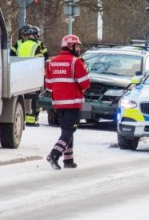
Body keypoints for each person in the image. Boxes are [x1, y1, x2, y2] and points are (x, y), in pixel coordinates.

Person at [44, 34, 91, 170]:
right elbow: (85, 84)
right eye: (77, 46)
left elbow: (48, 86)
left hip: (58, 103)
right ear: (70, 46)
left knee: (66, 130)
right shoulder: (75, 62)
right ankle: (54, 154)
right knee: (70, 130)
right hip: (73, 103)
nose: (78, 49)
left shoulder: (51, 62)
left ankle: (68, 160)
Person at [12, 25, 49, 126]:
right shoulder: (37, 45)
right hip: (33, 74)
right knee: (34, 97)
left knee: (24, 96)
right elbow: (42, 58)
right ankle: (31, 118)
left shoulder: (20, 45)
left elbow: (12, 57)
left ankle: (25, 116)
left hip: (19, 73)